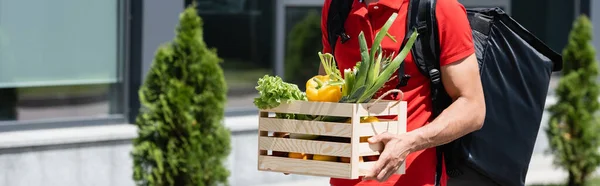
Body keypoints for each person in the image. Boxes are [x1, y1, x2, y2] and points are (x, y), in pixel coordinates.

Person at [318, 0, 486, 185]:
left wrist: (409, 143)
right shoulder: (336, 6)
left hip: (415, 179)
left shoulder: (441, 8)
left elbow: (473, 107)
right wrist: (294, 145)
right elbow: (326, 90)